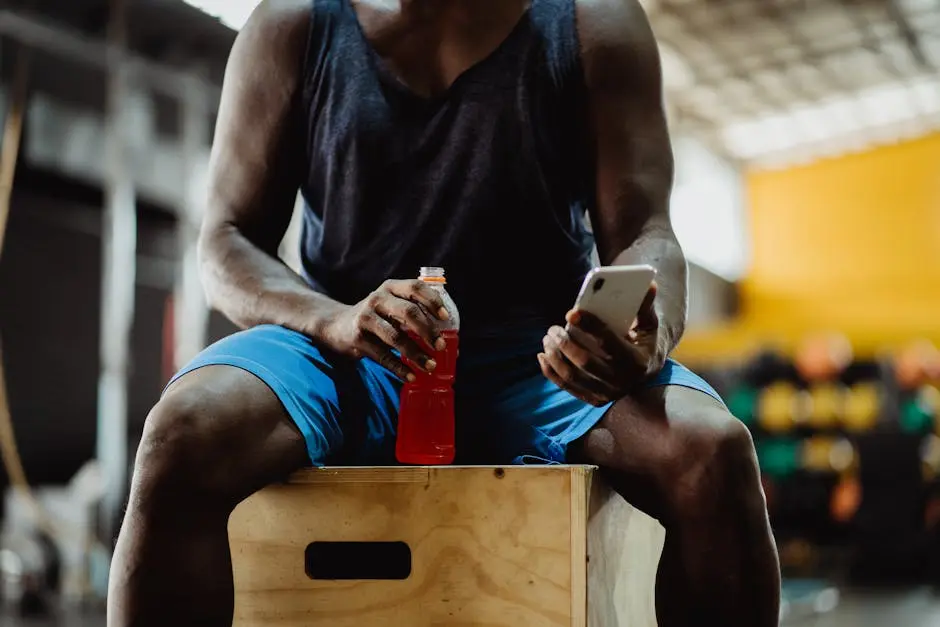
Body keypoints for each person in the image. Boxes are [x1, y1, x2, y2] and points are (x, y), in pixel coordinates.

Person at [107, 0, 780, 625]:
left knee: (709, 452)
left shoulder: (590, 24)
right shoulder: (293, 27)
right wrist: (332, 320)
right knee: (180, 433)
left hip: (541, 364)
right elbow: (224, 242)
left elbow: (650, 231)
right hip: (350, 348)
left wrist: (645, 330)